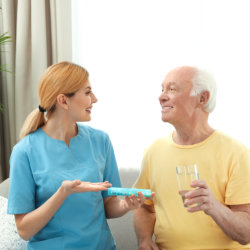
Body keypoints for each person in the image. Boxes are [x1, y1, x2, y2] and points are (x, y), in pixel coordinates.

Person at [7, 61, 148, 250]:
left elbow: (109, 204)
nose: (95, 98)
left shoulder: (100, 141)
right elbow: (24, 229)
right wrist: (63, 193)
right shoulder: (24, 151)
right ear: (63, 101)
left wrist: (127, 206)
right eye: (88, 92)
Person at [133, 66, 250, 250]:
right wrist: (144, 239)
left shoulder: (236, 153)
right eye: (162, 89)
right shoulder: (154, 151)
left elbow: (246, 233)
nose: (161, 97)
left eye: (172, 89)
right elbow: (145, 207)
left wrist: (214, 207)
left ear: (202, 98)